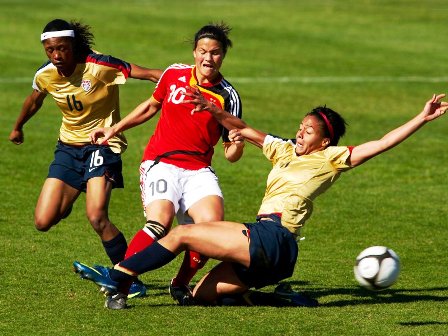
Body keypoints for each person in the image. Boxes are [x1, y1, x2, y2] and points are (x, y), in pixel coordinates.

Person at [78, 90, 447, 309]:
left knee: (181, 234)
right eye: (301, 127)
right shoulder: (284, 151)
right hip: (278, 259)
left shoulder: (331, 158)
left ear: (324, 141)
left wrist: (421, 117)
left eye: (309, 131)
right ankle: (278, 297)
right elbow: (244, 130)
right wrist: (215, 111)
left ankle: (120, 276)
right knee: (198, 296)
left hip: (273, 237)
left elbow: (380, 145)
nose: (300, 133)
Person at [73, 22, 245, 304]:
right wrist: (114, 129)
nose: (207, 58)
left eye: (214, 53)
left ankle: (180, 284)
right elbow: (151, 106)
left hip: (199, 170)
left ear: (222, 56)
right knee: (160, 223)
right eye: (203, 51)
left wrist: (236, 144)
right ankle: (122, 286)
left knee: (210, 228)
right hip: (161, 162)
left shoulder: (228, 96)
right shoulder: (174, 74)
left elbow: (231, 154)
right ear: (194, 52)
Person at [9, 19, 162, 298]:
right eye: (50, 50)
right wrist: (18, 126)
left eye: (62, 48)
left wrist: (185, 84)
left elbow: (151, 74)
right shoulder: (45, 74)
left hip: (102, 145)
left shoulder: (101, 65)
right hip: (67, 149)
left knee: (96, 216)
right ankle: (77, 188)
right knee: (43, 221)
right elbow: (34, 100)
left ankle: (128, 277)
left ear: (73, 46)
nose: (56, 55)